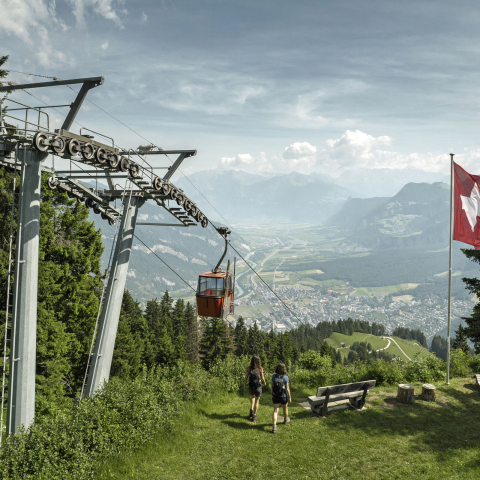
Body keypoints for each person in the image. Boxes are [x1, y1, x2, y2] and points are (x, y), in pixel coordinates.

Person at [243, 355, 266, 422]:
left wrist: (244, 385)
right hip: (258, 387)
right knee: (257, 401)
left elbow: (246, 377)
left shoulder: (249, 368)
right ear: (258, 361)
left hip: (251, 386)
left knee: (253, 397)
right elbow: (262, 377)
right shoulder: (260, 368)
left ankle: (251, 410)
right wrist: (264, 382)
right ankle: (254, 415)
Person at [271, 363, 291, 434]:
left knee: (275, 411)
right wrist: (290, 396)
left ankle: (274, 426)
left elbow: (272, 386)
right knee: (285, 408)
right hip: (283, 396)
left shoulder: (274, 376)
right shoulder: (285, 377)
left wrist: (272, 394)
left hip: (275, 395)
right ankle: (285, 420)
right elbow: (287, 388)